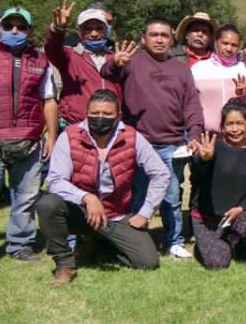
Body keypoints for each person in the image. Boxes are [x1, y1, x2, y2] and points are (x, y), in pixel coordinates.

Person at [38, 89, 169, 285]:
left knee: (147, 261)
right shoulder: (69, 136)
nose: (100, 118)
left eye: (107, 114)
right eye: (95, 113)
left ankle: (101, 244)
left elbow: (161, 173)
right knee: (48, 204)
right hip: (81, 213)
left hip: (116, 215)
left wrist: (146, 212)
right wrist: (87, 198)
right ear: (87, 113)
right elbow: (56, 180)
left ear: (118, 116)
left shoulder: (132, 137)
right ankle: (65, 264)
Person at [101, 19, 205, 259]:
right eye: (154, 35)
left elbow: (191, 104)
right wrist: (115, 63)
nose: (159, 40)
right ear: (143, 38)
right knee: (137, 194)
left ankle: (173, 241)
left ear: (172, 39)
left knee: (171, 196)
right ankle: (137, 239)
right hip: (137, 143)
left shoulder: (180, 68)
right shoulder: (131, 63)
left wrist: (195, 133)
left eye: (164, 35)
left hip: (172, 142)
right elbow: (107, 72)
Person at [0, 6, 58, 267]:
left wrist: (51, 138)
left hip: (29, 139)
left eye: (21, 26)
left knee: (25, 198)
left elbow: (49, 100)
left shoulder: (40, 60)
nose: (15, 30)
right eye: (9, 25)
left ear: (29, 30)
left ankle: (21, 244)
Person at [186, 101, 246, 269]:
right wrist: (204, 160)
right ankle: (205, 244)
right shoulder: (212, 146)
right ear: (222, 127)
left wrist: (241, 208)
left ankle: (239, 245)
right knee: (219, 263)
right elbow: (195, 178)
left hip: (237, 214)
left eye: (240, 123)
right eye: (230, 124)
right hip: (206, 218)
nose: (235, 129)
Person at [45, 0, 121, 125]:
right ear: (78, 32)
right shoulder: (70, 56)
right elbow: (52, 48)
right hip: (77, 125)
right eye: (87, 29)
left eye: (99, 28)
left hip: (112, 125)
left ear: (106, 30)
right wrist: (58, 29)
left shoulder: (115, 57)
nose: (94, 33)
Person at [191, 24, 246, 134]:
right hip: (207, 137)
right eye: (225, 43)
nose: (229, 48)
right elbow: (190, 103)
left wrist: (244, 94)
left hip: (240, 138)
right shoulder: (198, 69)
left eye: (234, 45)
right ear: (216, 42)